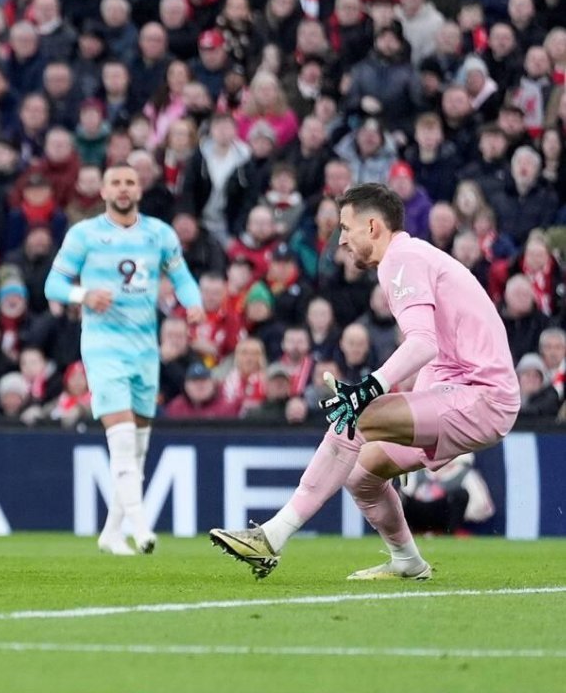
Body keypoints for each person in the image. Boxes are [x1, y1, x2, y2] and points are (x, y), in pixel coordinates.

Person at [210, 183, 519, 580]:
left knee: (356, 416)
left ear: (372, 226)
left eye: (345, 227)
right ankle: (407, 561)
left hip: (482, 397)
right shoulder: (413, 256)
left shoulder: (401, 259)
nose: (341, 239)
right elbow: (441, 349)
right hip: (463, 394)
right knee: (362, 475)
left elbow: (423, 343)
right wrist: (411, 413)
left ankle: (271, 536)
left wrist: (370, 389)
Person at [44, 164, 204, 556]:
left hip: (145, 349)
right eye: (115, 182)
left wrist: (194, 303)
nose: (123, 188)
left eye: (129, 182)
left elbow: (181, 277)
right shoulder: (84, 234)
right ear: (103, 191)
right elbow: (53, 284)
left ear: (139, 189)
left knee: (138, 447)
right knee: (122, 438)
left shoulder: (159, 234)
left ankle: (112, 532)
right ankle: (141, 526)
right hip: (103, 347)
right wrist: (84, 295)